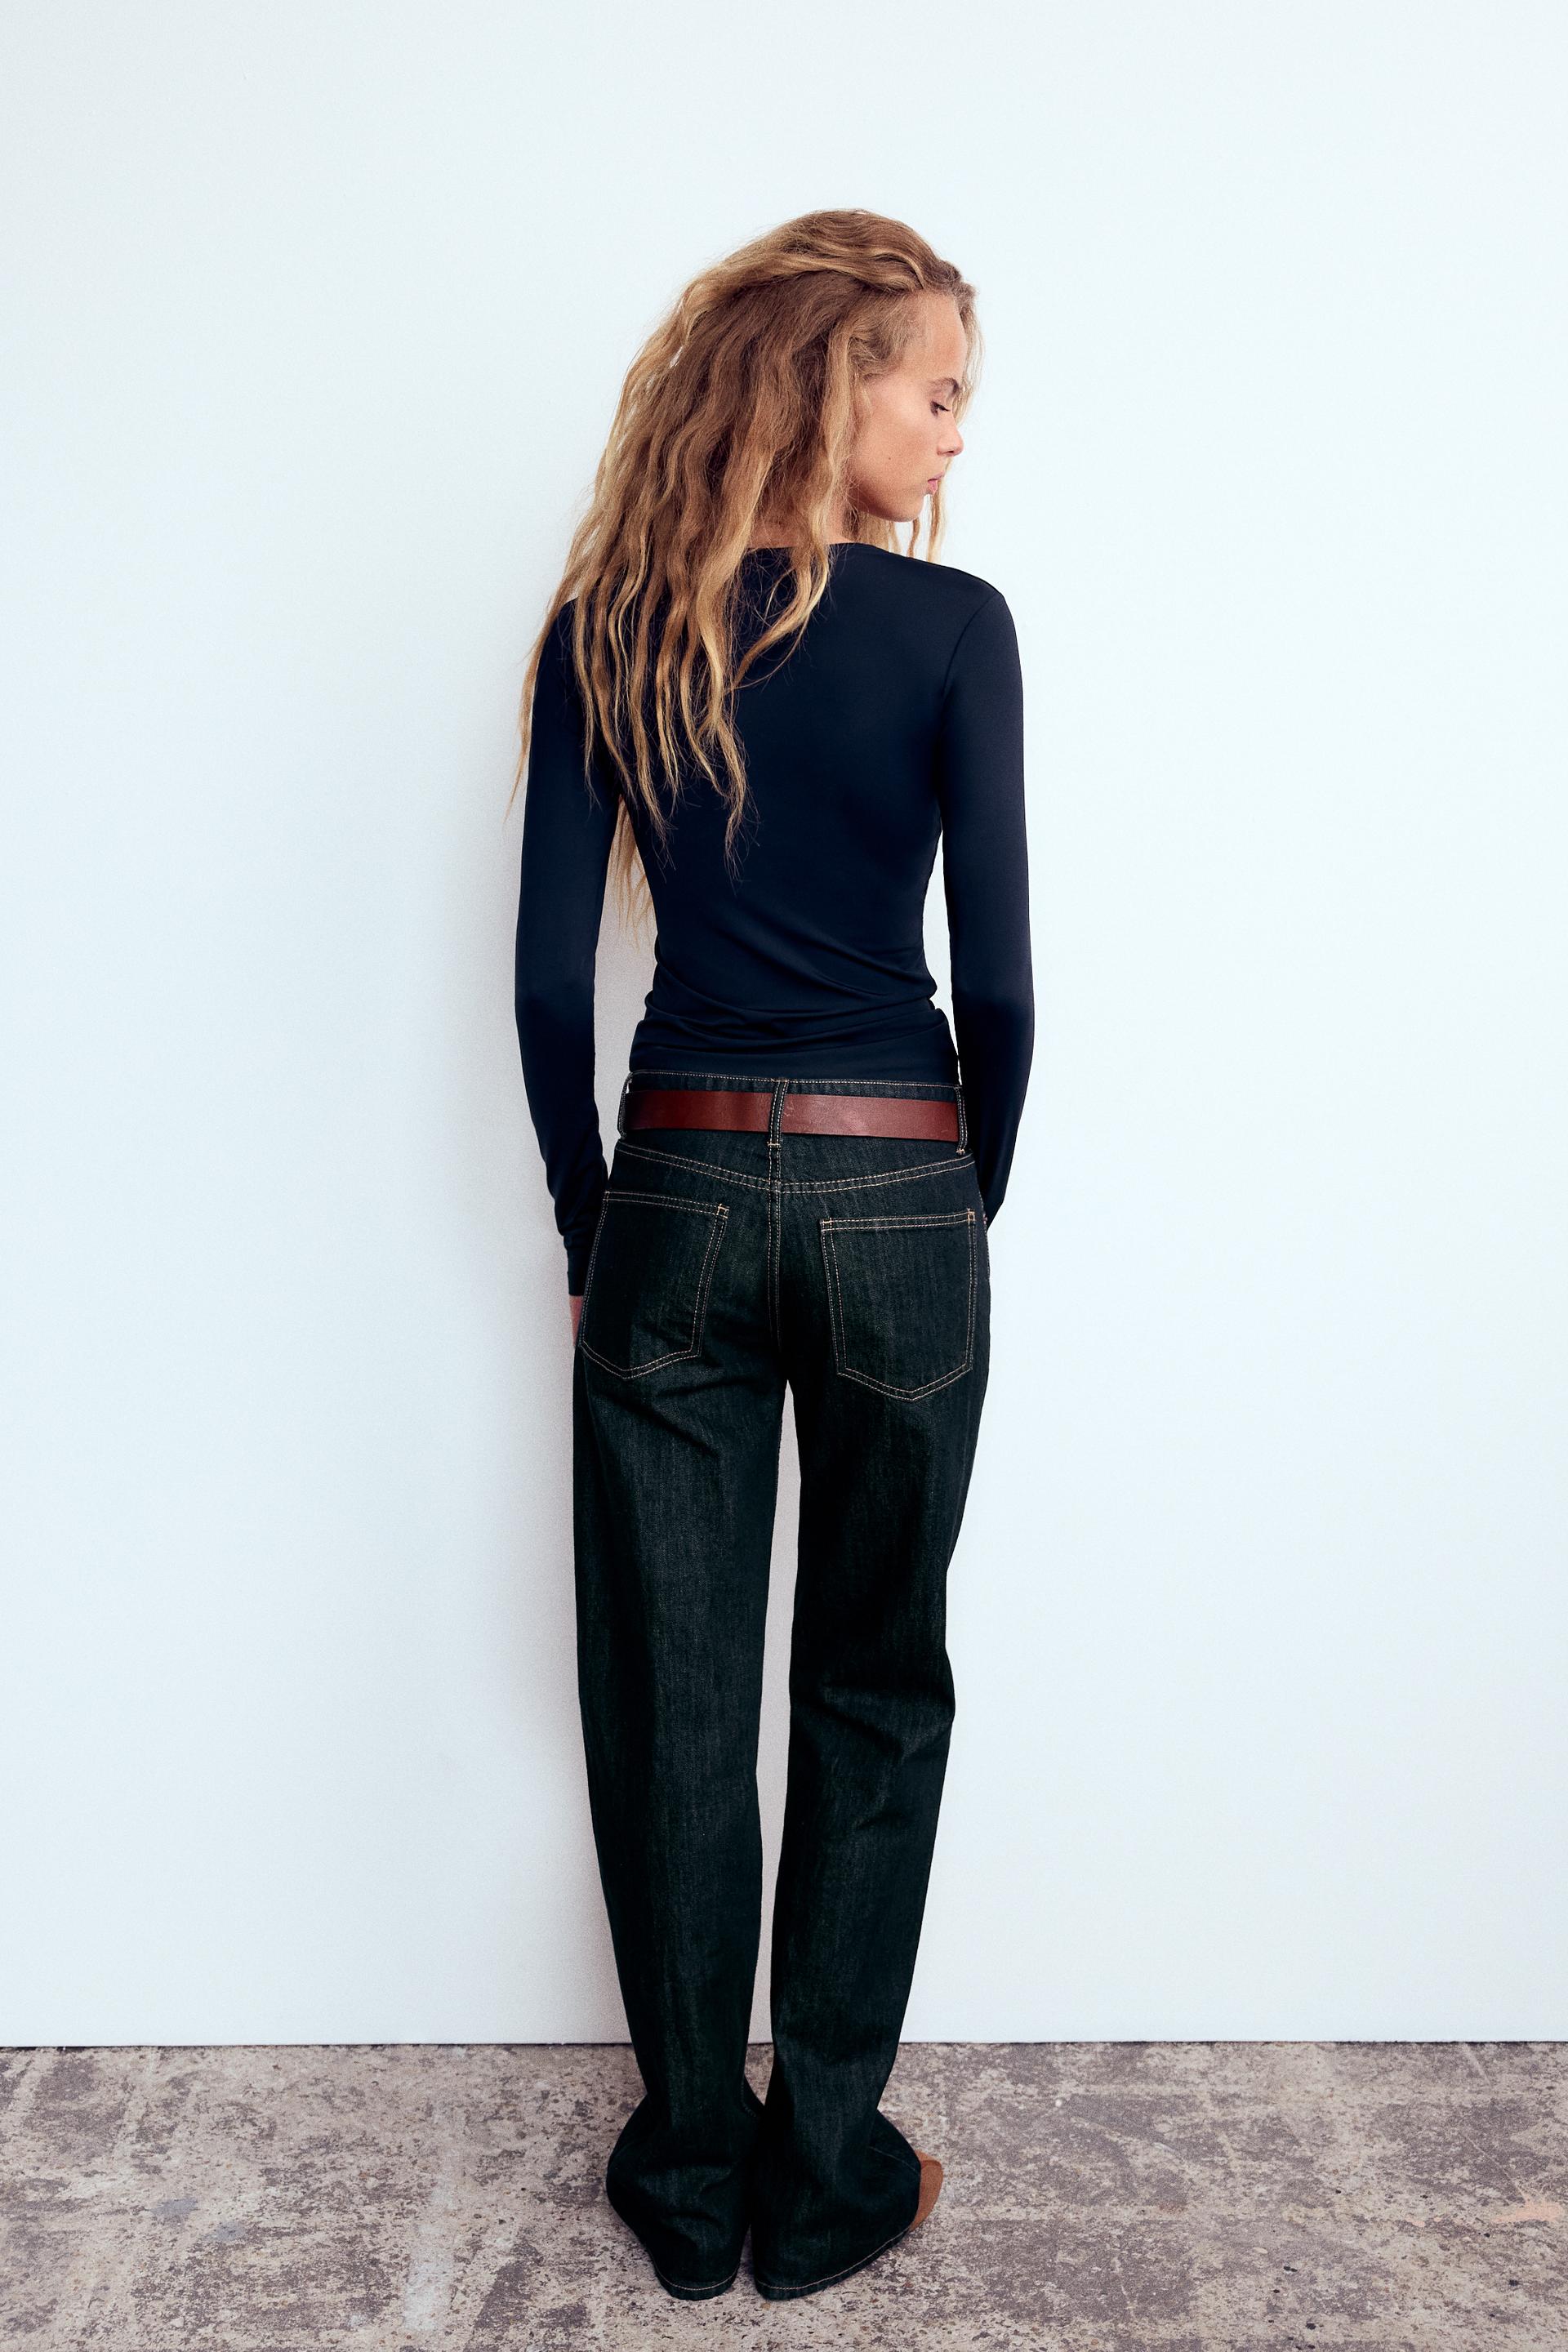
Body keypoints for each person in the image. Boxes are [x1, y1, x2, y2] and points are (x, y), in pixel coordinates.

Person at [510, 207, 1033, 2302]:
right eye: (940, 392)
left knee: (668, 1693)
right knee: (875, 1680)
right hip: (902, 1177)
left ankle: (687, 2172)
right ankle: (825, 2177)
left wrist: (592, 1216)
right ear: (838, 386)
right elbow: (1002, 985)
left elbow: (550, 988)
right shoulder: (957, 629)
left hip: (679, 1186)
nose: (957, 437)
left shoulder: (612, 626)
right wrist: (960, 1196)